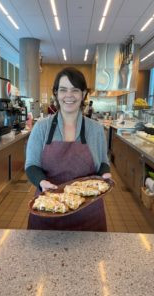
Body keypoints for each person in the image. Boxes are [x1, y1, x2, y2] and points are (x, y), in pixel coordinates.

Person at [25, 67, 111, 231]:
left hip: (89, 213)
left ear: (83, 94)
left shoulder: (95, 129)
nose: (69, 95)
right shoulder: (42, 128)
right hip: (49, 208)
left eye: (75, 90)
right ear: (56, 93)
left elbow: (102, 163)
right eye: (63, 90)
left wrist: (105, 174)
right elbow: (31, 165)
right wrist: (42, 182)